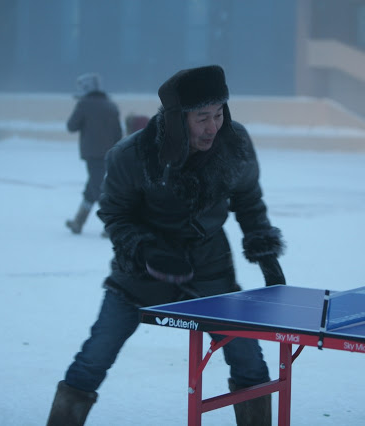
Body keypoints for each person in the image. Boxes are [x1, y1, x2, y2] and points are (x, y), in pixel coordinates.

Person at [46, 65, 286, 426]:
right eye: (201, 117)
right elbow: (114, 214)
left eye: (218, 114)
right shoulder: (132, 155)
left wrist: (266, 255)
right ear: (177, 118)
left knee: (248, 359)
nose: (212, 126)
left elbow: (248, 200)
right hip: (140, 276)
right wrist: (147, 251)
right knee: (95, 356)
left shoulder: (233, 143)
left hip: (210, 269)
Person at [65, 72, 123, 235]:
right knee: (93, 187)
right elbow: (118, 133)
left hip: (92, 154)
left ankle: (112, 226)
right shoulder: (111, 105)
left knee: (97, 189)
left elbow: (71, 126)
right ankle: (78, 222)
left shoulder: (84, 104)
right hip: (110, 154)